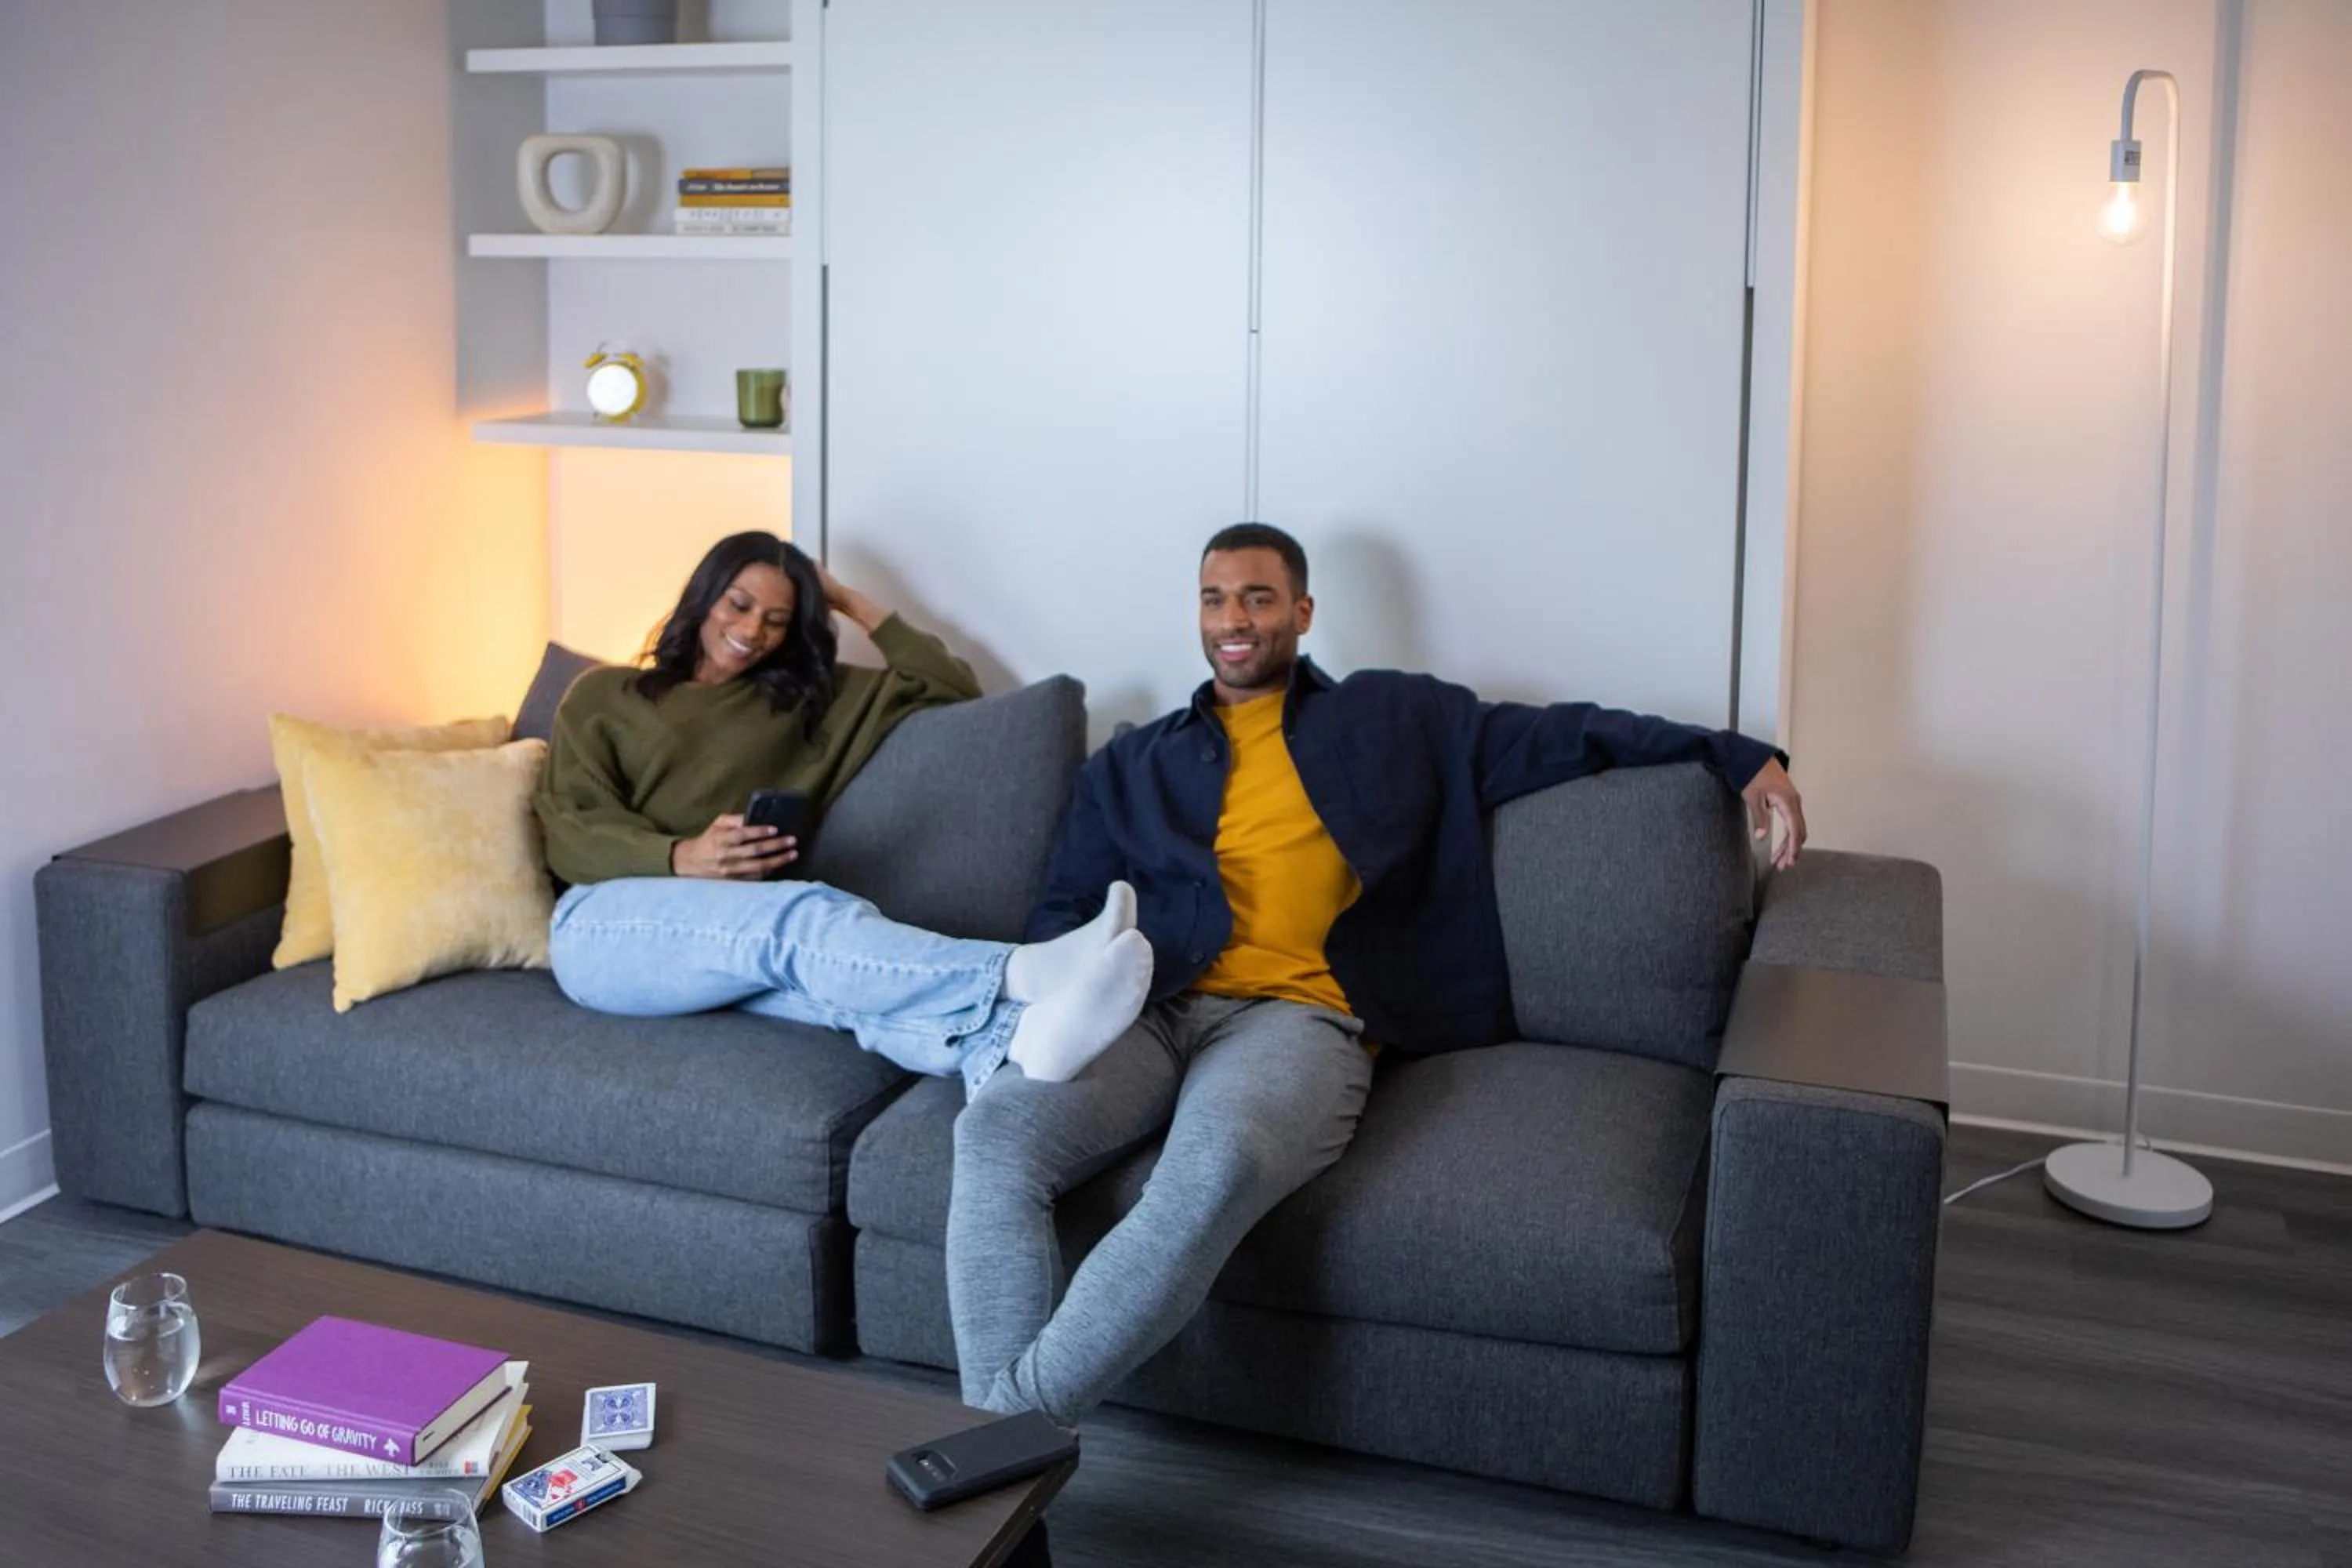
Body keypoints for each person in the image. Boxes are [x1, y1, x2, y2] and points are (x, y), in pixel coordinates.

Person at [946, 521, 1807, 1426]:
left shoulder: (1395, 718)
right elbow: (1062, 916)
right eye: (1215, 598)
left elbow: (1564, 733)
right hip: (1148, 1006)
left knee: (1215, 1163)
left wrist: (1733, 752)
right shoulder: (1134, 764)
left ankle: (988, 1439)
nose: (1233, 619)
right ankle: (991, 1455)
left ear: (1302, 611)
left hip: (1297, 1021)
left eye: (1258, 597)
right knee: (994, 1134)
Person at [535, 530, 1152, 1094]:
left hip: (721, 947)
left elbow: (947, 683)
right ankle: (1018, 970)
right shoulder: (604, 695)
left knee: (831, 989)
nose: (751, 630)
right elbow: (568, 832)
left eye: (777, 620)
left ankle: (1021, 1038)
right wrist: (681, 856)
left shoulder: (803, 706)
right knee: (801, 914)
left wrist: (846, 599)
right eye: (738, 604)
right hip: (599, 930)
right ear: (704, 595)